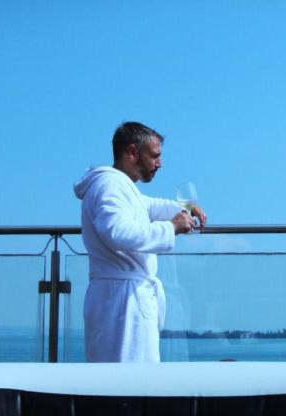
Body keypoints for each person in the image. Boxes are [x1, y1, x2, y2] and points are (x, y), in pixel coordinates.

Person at [73, 121, 208, 362]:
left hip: (123, 298)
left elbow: (147, 205)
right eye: (155, 156)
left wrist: (183, 208)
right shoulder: (109, 185)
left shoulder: (121, 186)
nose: (160, 164)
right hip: (121, 304)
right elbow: (117, 232)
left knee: (131, 379)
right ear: (133, 152)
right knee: (124, 383)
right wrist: (171, 228)